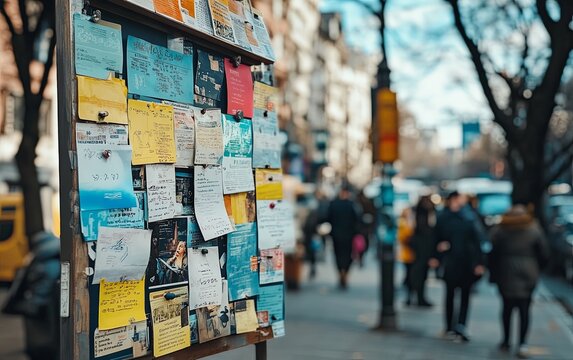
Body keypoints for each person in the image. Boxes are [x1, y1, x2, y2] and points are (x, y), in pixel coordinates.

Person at [489, 205, 549, 358]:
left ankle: (506, 340)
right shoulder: (533, 229)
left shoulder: (501, 230)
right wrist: (537, 267)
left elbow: (493, 254)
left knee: (506, 309)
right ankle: (522, 342)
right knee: (524, 310)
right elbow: (544, 253)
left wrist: (493, 273)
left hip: (505, 272)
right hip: (528, 272)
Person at [430, 191, 484, 342]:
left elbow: (476, 241)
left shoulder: (468, 217)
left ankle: (461, 324)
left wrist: (479, 262)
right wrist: (436, 254)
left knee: (464, 295)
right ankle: (450, 326)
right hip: (451, 261)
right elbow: (436, 238)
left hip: (466, 262)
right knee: (450, 295)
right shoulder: (445, 218)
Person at [327, 186, 359, 289]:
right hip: (349, 235)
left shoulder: (333, 204)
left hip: (336, 235)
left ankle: (341, 272)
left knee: (337, 255)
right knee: (348, 255)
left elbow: (327, 217)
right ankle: (345, 273)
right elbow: (357, 220)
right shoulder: (352, 205)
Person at [410, 195, 436, 307]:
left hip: (421, 247)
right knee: (419, 273)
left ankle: (415, 296)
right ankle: (417, 296)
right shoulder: (423, 215)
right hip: (422, 247)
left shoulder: (420, 213)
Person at [397, 207, 415, 305]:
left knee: (410, 274)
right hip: (406, 253)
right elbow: (402, 237)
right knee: (408, 274)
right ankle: (408, 295)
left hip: (411, 253)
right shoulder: (402, 223)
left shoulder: (412, 221)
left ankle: (410, 295)